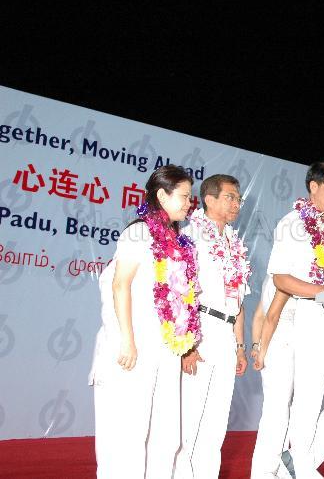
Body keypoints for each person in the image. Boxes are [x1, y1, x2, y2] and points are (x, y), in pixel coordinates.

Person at [90, 165, 200, 479]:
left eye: (190, 197)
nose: (189, 203)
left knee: (168, 436)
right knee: (128, 435)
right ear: (162, 195)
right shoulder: (138, 232)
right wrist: (127, 339)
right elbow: (120, 284)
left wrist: (184, 342)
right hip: (134, 347)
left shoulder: (179, 243)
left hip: (166, 349)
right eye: (184, 196)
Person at [267, 160, 324, 479]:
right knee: (308, 397)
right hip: (311, 315)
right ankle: (303, 468)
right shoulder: (293, 223)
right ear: (313, 186)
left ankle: (296, 461)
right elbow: (281, 278)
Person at [174, 174, 252, 478]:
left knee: (216, 423)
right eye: (230, 197)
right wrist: (187, 345)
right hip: (200, 329)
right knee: (190, 419)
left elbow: (239, 300)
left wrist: (240, 346)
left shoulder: (234, 242)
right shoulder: (190, 236)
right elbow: (180, 293)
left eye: (238, 198)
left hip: (227, 335)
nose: (236, 204)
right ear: (209, 199)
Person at [249, 275, 295, 479]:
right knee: (278, 412)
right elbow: (271, 316)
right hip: (282, 344)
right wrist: (262, 350)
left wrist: (257, 346)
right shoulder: (285, 279)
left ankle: (272, 470)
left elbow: (258, 315)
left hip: (272, 346)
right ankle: (267, 471)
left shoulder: (269, 277)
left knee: (276, 410)